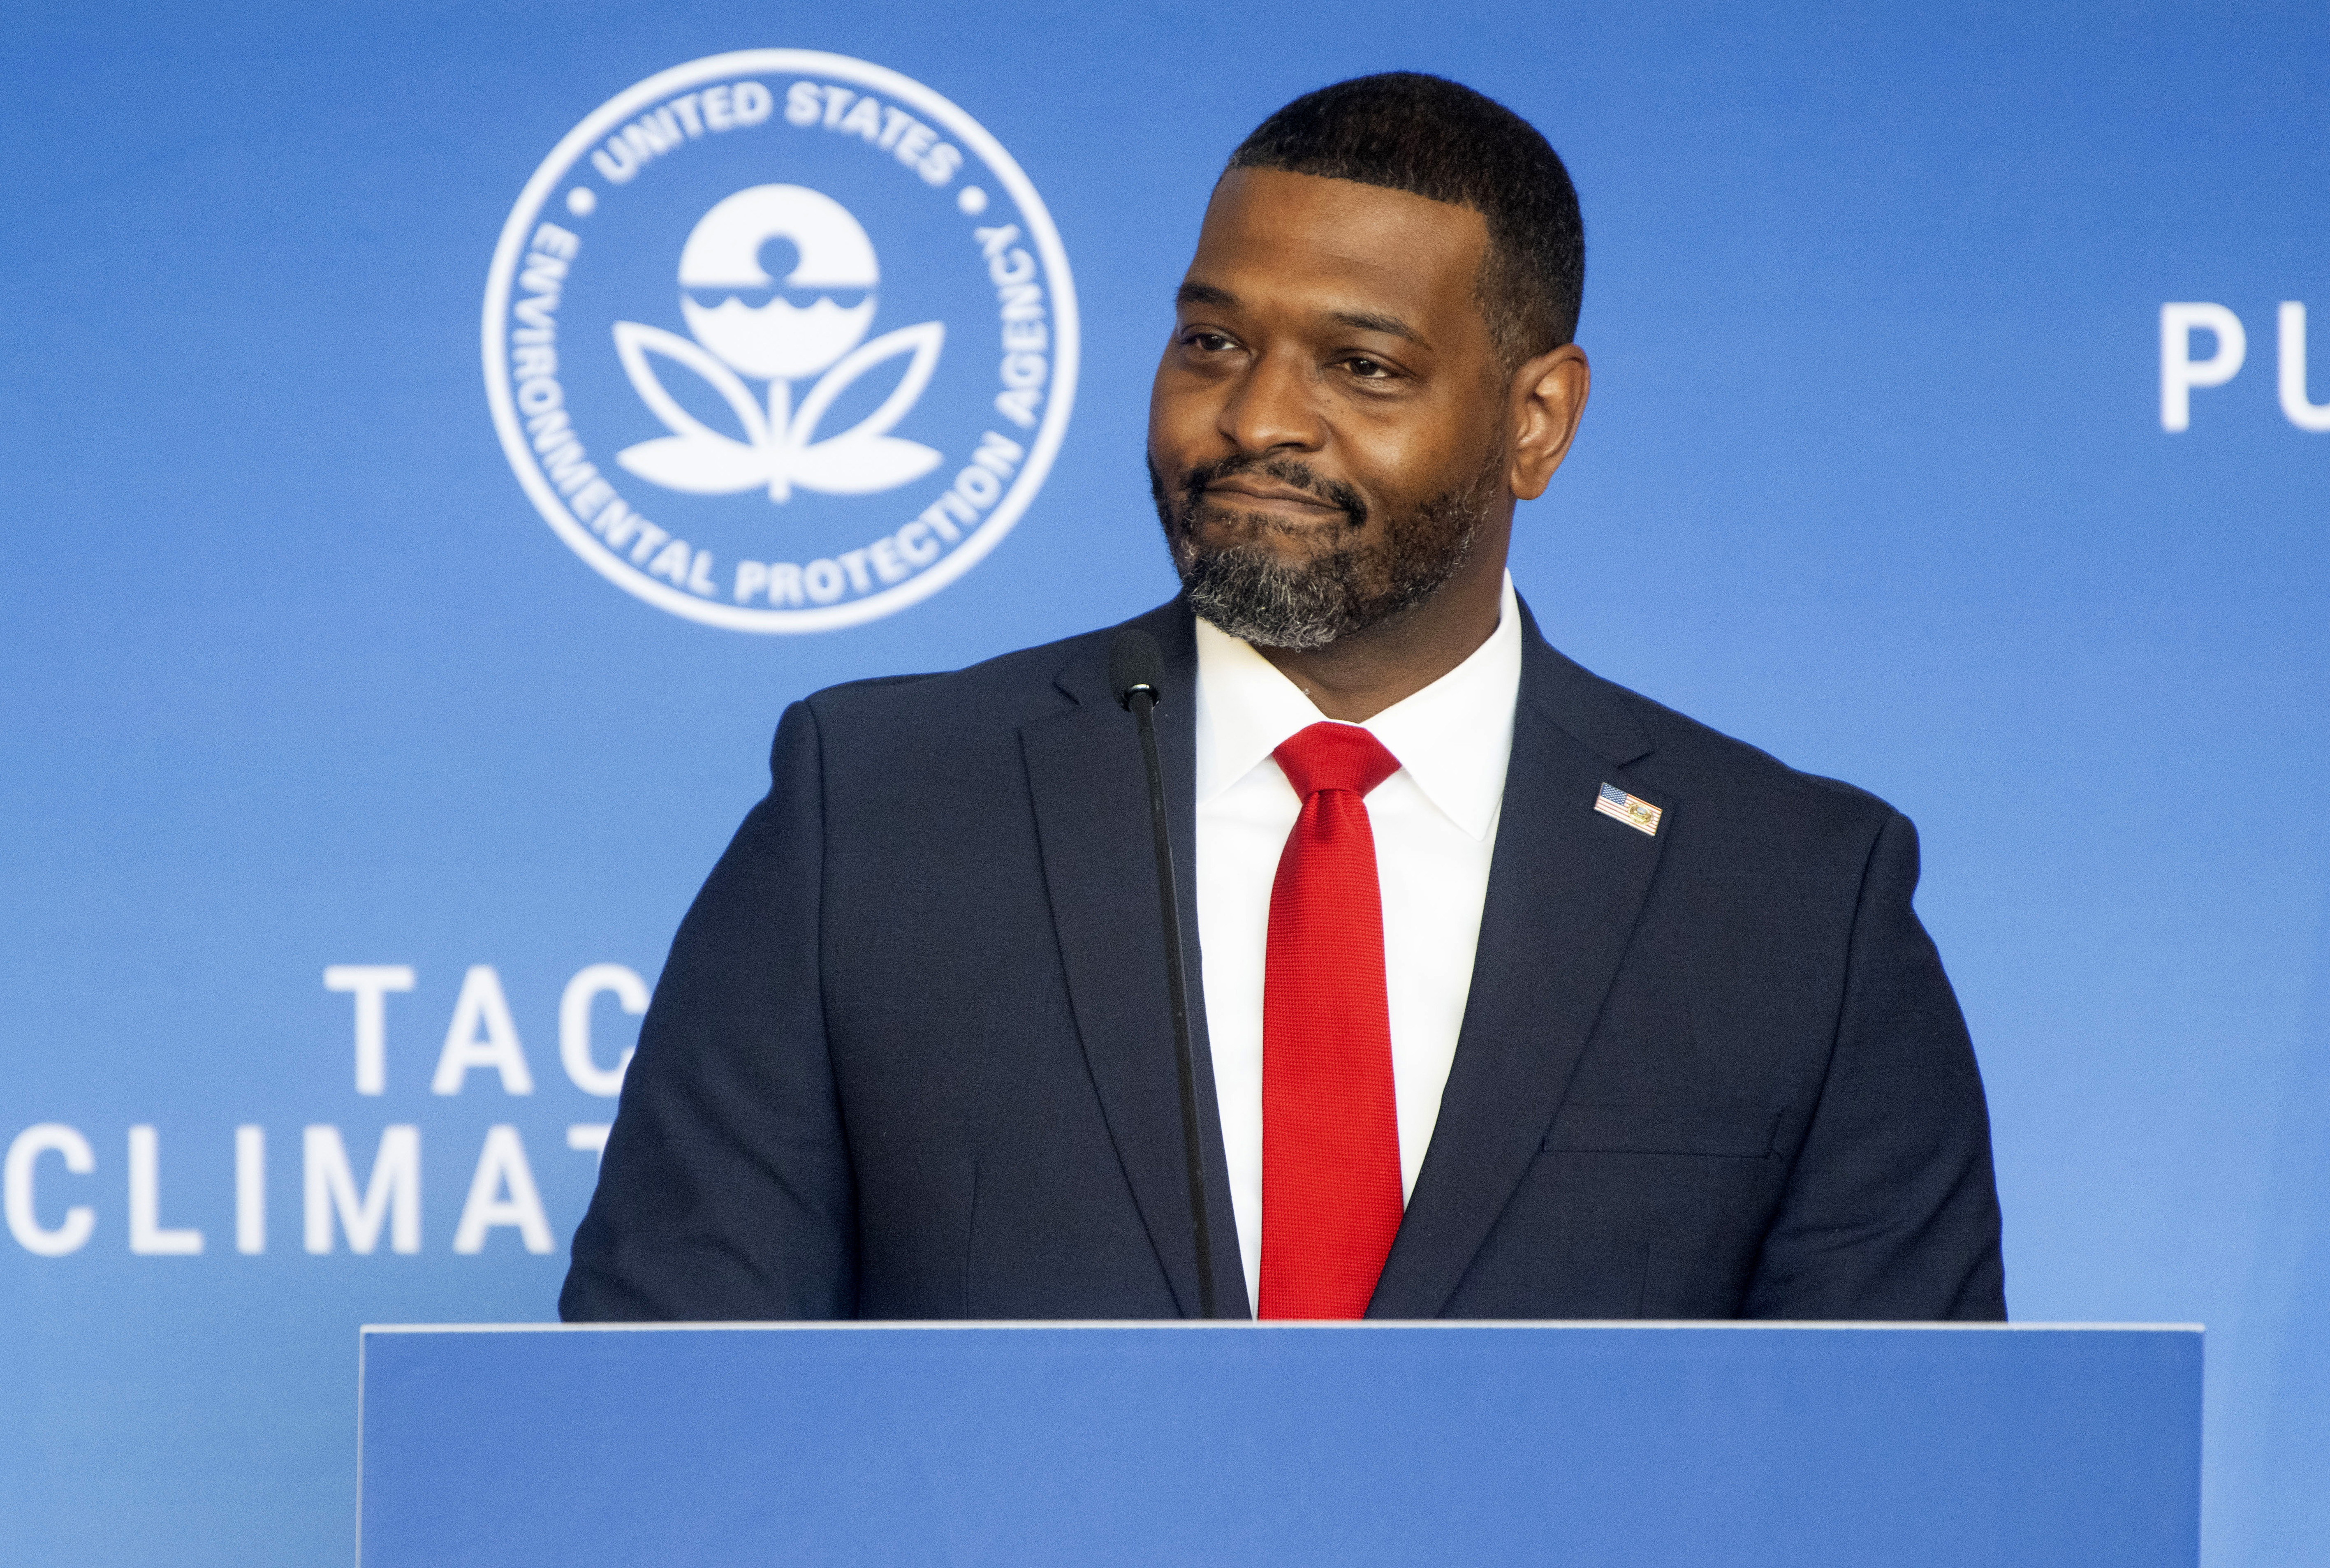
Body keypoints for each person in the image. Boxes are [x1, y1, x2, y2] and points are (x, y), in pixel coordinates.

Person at [560, 72, 2004, 1323]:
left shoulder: (1792, 898)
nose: (1255, 418)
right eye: (1212, 342)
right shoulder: (873, 809)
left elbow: (1905, 1478)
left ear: (1534, 420)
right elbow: (667, 1414)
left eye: (1361, 366)